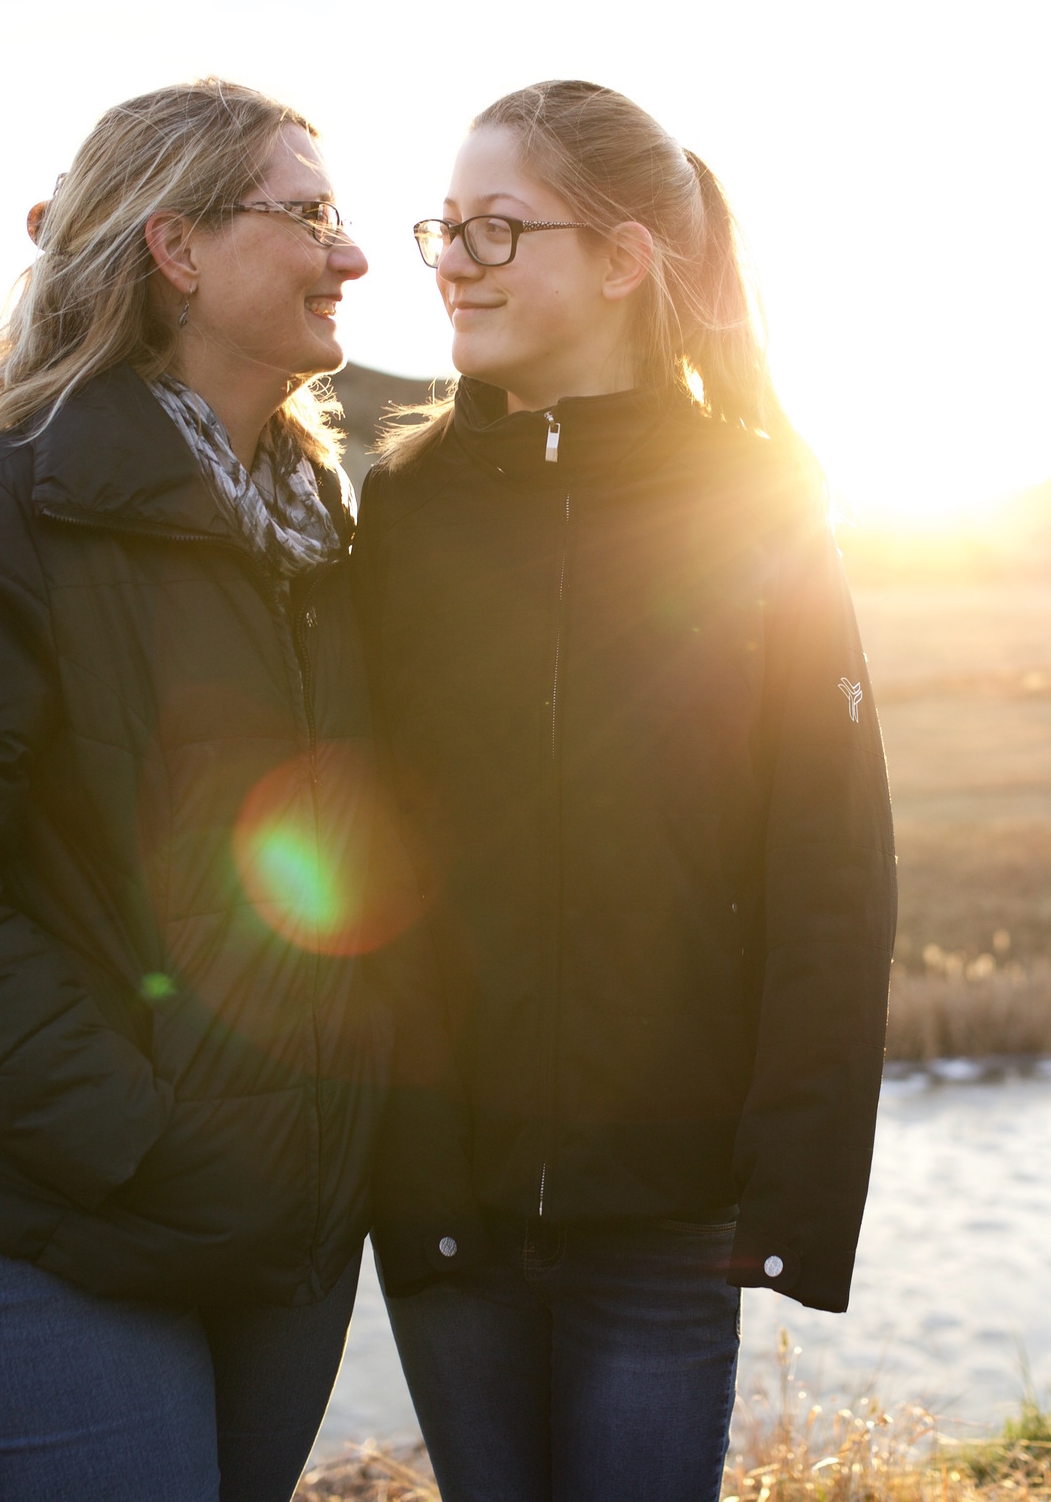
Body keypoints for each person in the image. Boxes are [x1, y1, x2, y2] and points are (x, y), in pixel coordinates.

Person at [0, 78, 417, 1502]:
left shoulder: (319, 531)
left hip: (271, 1248)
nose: (355, 255)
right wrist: (150, 1149)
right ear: (178, 248)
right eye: (311, 214)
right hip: (35, 1241)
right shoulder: (7, 509)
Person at [353, 80, 898, 1501]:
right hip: (446, 1188)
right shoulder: (404, 510)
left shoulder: (756, 500)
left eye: (494, 229)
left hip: (666, 1203)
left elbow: (831, 863)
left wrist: (783, 1184)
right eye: (445, 230)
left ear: (619, 261)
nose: (451, 264)